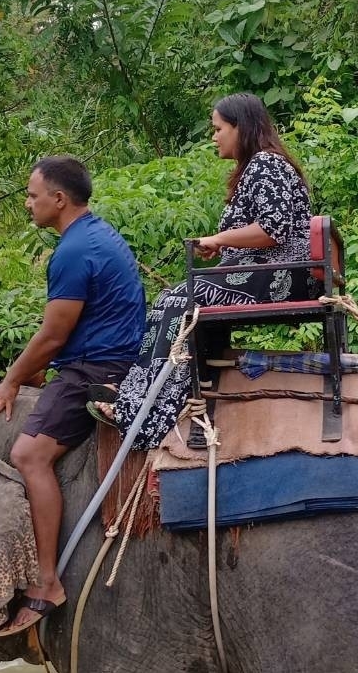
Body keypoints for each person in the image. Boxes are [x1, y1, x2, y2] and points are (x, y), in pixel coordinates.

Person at [0, 156, 145, 636]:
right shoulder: (98, 234)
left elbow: (53, 335)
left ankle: (48, 581)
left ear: (59, 199)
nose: (27, 204)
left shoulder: (72, 252)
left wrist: (12, 380)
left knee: (29, 454)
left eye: (32, 196)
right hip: (108, 356)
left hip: (96, 369)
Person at [106, 91, 312, 450]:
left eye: (218, 129)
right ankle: (147, 398)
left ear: (240, 127)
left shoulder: (266, 164)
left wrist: (218, 238)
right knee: (176, 297)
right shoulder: (259, 167)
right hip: (265, 274)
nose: (214, 136)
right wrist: (222, 245)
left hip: (279, 278)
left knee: (174, 302)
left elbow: (272, 229)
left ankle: (144, 408)